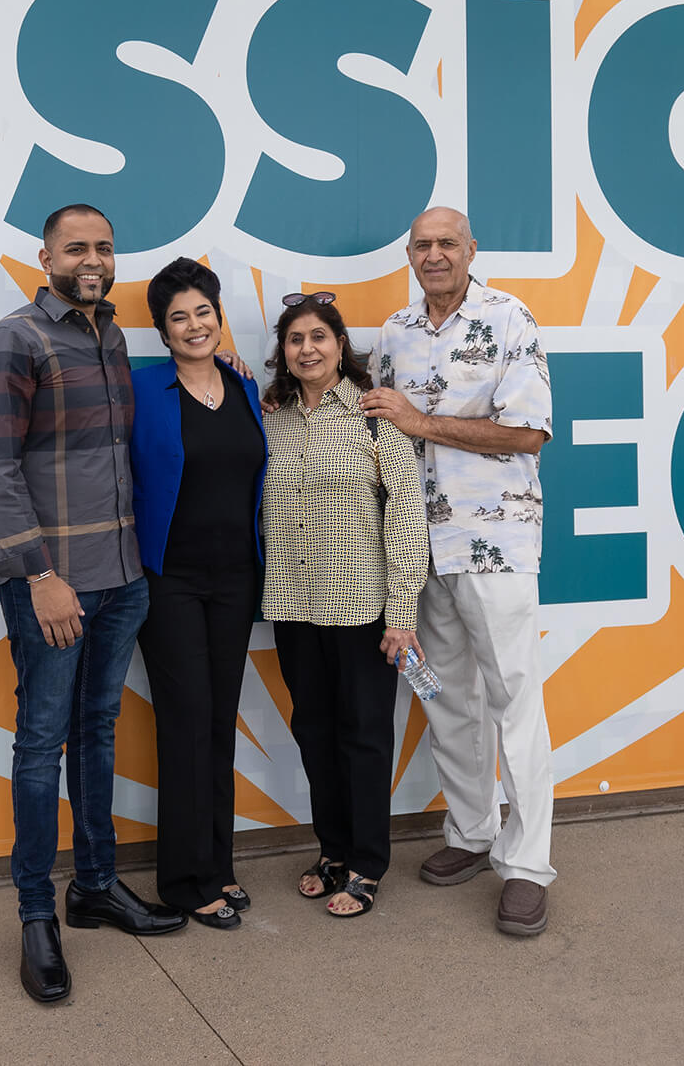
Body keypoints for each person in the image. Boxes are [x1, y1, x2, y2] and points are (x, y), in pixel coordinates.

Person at [0, 204, 186, 1006]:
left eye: (104, 247)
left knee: (96, 730)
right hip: (54, 584)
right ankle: (36, 916)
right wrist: (40, 575)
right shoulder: (13, 340)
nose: (92, 259)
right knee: (40, 742)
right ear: (46, 257)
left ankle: (94, 885)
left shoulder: (112, 336)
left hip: (123, 577)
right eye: (76, 248)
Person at [361, 206, 557, 937]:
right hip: (418, 549)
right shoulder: (395, 332)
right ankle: (473, 833)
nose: (435, 254)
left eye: (448, 242)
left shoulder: (509, 317)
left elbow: (528, 434)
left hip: (493, 543)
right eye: (423, 245)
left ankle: (528, 865)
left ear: (472, 249)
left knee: (513, 700)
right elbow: (375, 428)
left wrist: (422, 423)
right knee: (443, 696)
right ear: (409, 255)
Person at [259, 292, 429, 918]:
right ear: (283, 350)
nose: (307, 349)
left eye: (319, 337)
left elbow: (407, 517)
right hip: (292, 603)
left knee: (364, 737)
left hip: (362, 608)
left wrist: (402, 614)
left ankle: (367, 863)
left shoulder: (376, 416)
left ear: (339, 346)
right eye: (295, 339)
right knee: (314, 731)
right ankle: (331, 849)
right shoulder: (270, 419)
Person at [129, 257, 268, 931]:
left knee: (218, 720)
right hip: (171, 581)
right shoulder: (140, 388)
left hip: (237, 578)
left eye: (203, 312)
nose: (193, 325)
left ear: (219, 317)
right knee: (185, 721)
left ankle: (218, 863)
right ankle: (186, 880)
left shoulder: (244, 386)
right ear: (162, 331)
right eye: (178, 317)